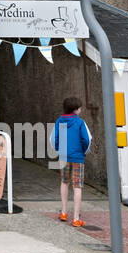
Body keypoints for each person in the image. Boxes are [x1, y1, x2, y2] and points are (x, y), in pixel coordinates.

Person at [51, 95, 91, 228]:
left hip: (63, 156)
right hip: (78, 157)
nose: (80, 110)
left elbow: (55, 139)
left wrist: (59, 149)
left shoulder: (60, 121)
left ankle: (63, 212)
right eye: (79, 108)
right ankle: (75, 218)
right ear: (75, 110)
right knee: (77, 186)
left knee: (64, 182)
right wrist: (83, 151)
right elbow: (86, 139)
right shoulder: (80, 123)